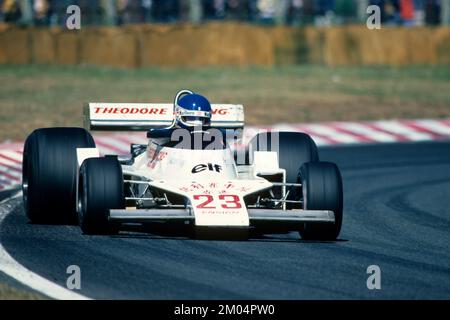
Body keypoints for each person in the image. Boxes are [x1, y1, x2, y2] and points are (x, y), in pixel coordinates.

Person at [147, 90, 217, 149]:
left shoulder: (214, 139)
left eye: (202, 119)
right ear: (178, 115)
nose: (197, 123)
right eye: (191, 118)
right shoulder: (167, 138)